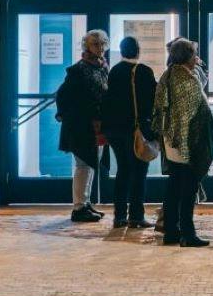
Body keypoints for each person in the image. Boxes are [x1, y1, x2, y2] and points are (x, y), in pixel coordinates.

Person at [152, 37, 213, 248]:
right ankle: (188, 233)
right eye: (194, 54)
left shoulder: (168, 75)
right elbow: (198, 111)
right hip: (186, 141)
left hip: (171, 140)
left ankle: (171, 231)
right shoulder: (186, 80)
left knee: (174, 185)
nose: (197, 58)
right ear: (187, 57)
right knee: (188, 187)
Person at [100, 35, 158, 229]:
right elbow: (152, 100)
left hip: (115, 131)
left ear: (121, 51)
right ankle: (136, 215)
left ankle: (119, 216)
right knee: (139, 172)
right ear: (138, 50)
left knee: (122, 171)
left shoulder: (114, 71)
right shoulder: (143, 71)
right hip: (135, 130)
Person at [54, 29, 110, 223]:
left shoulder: (103, 67)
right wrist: (63, 114)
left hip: (98, 125)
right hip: (82, 125)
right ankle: (78, 207)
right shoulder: (78, 69)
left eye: (102, 43)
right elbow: (62, 94)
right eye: (95, 44)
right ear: (87, 46)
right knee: (83, 164)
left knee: (91, 164)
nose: (100, 48)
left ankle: (85, 203)